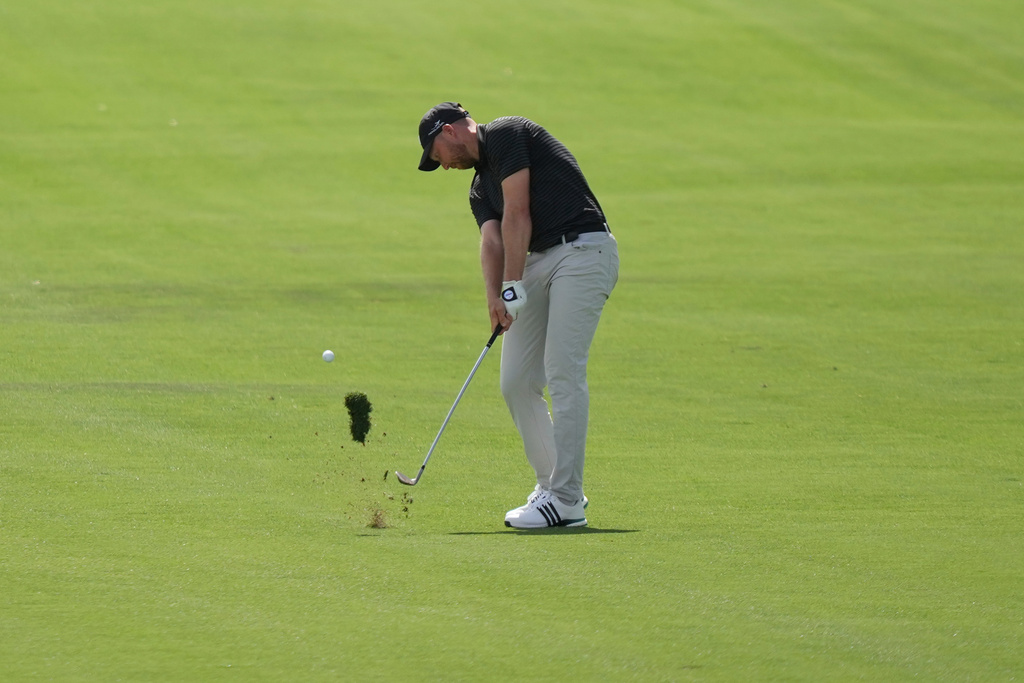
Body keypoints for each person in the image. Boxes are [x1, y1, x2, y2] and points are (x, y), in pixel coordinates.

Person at [417, 102, 619, 529]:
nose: (444, 165)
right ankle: (554, 488)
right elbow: (493, 240)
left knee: (562, 371)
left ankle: (565, 500)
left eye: (439, 154)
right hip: (540, 261)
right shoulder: (477, 189)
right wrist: (494, 297)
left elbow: (518, 212)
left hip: (583, 250)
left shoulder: (507, 133)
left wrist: (512, 284)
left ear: (451, 131)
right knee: (516, 382)